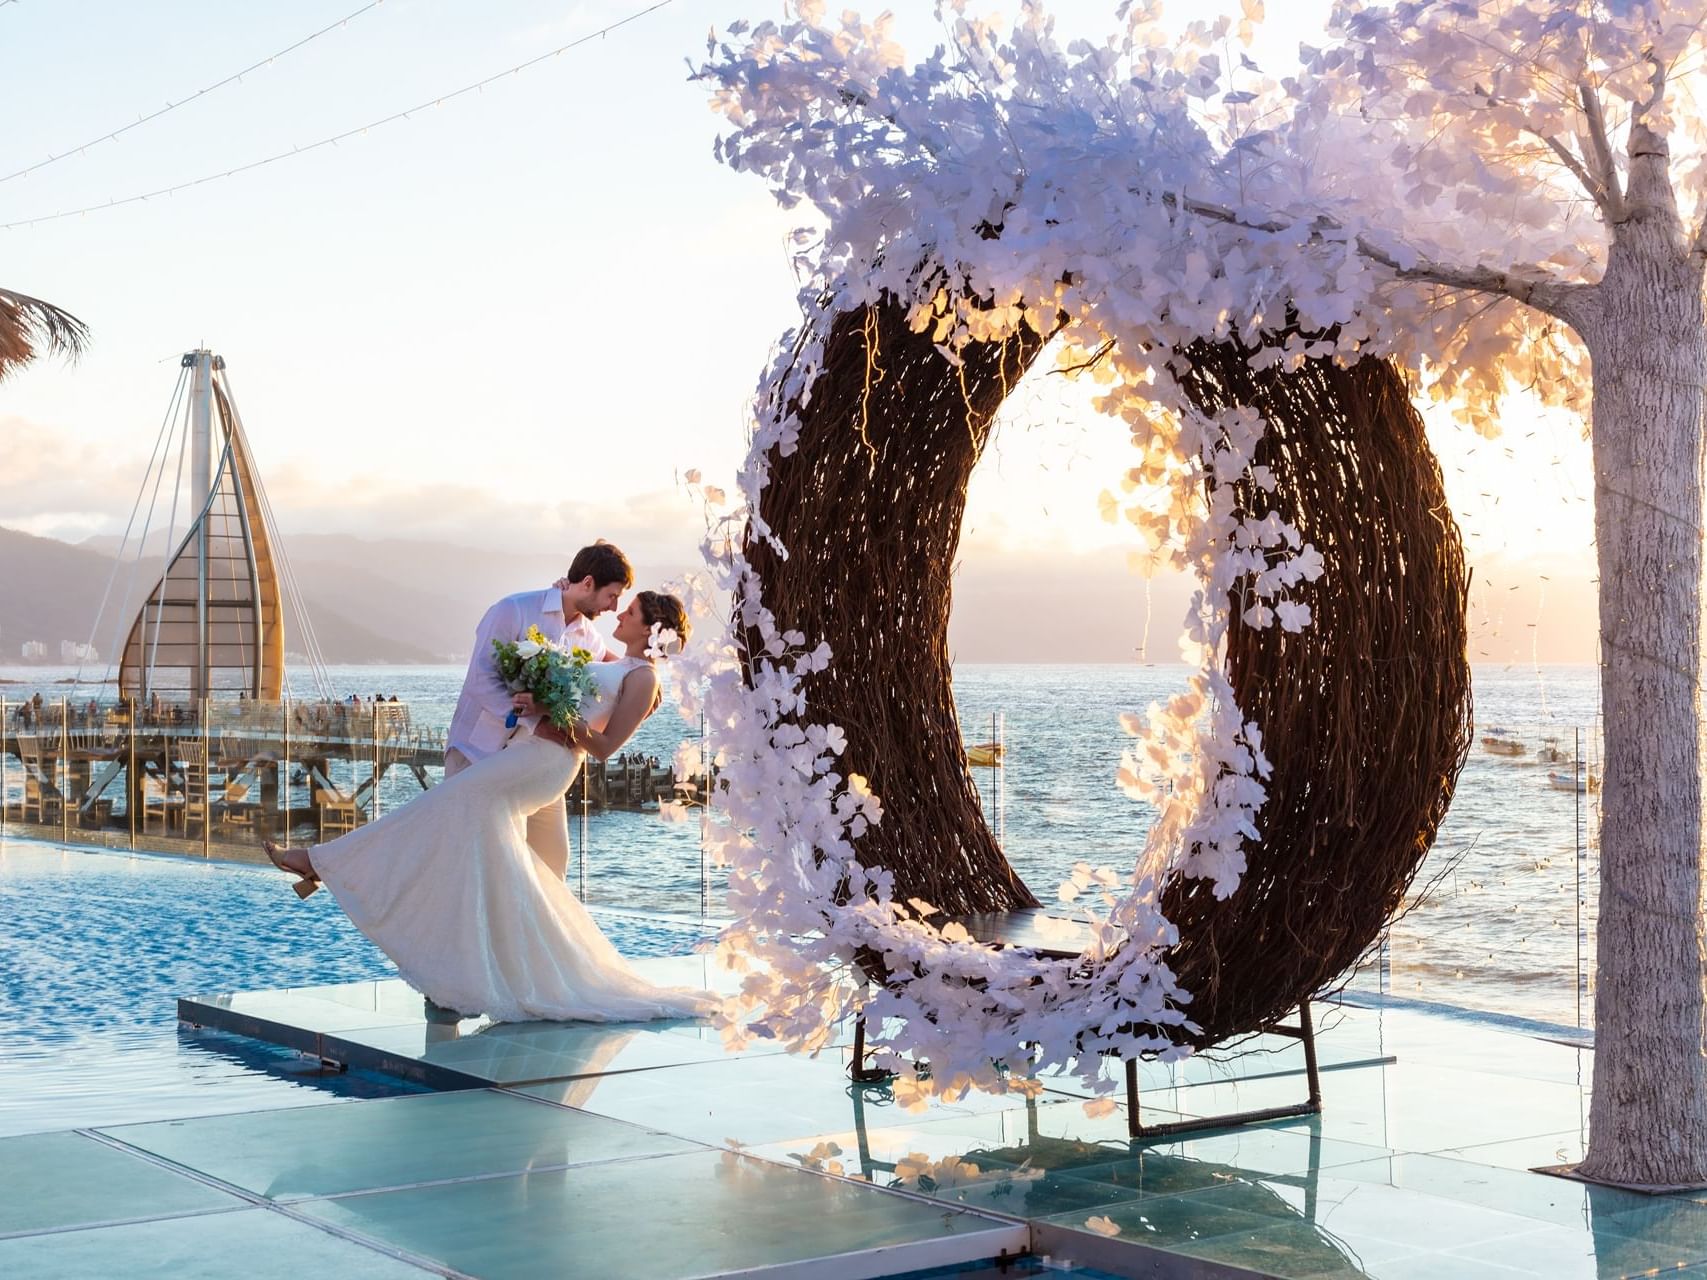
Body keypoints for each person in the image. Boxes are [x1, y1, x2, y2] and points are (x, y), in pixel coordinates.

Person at [262, 591, 714, 1024]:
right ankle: (483, 967)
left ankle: (322, 863)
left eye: (629, 612)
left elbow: (604, 747)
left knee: (444, 804)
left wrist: (552, 709)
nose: (618, 615)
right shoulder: (623, 664)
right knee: (477, 843)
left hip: (549, 763)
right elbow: (579, 662)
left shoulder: (645, 678)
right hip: (530, 753)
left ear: (650, 627)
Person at [444, 541, 632, 882]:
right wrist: (536, 720)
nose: (614, 606)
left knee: (552, 865)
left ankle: (543, 936)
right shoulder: (513, 609)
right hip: (479, 752)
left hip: (538, 763)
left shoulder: (588, 637)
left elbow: (618, 667)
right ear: (588, 583)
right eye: (612, 595)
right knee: (472, 866)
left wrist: (648, 676)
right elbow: (479, 680)